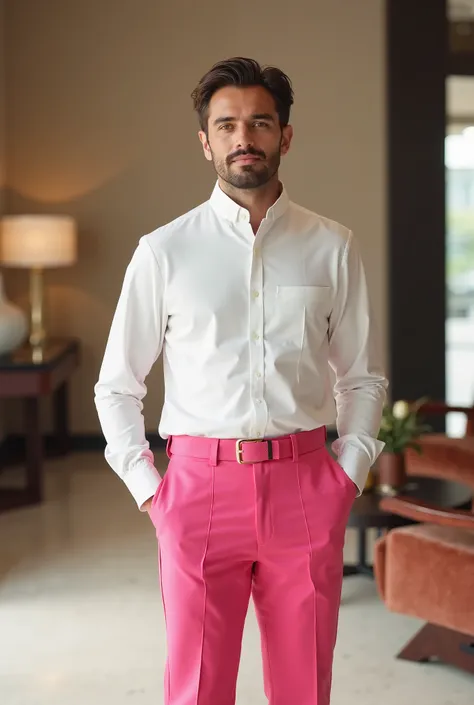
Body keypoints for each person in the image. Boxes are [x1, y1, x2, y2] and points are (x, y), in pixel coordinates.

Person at [94, 56, 388, 705]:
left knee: (304, 688)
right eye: (226, 125)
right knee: (196, 688)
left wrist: (347, 475)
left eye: (260, 122)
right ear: (206, 141)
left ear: (285, 135)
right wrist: (154, 494)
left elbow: (361, 378)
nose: (243, 137)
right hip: (197, 492)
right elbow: (116, 385)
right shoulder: (164, 251)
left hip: (306, 487)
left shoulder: (331, 246)